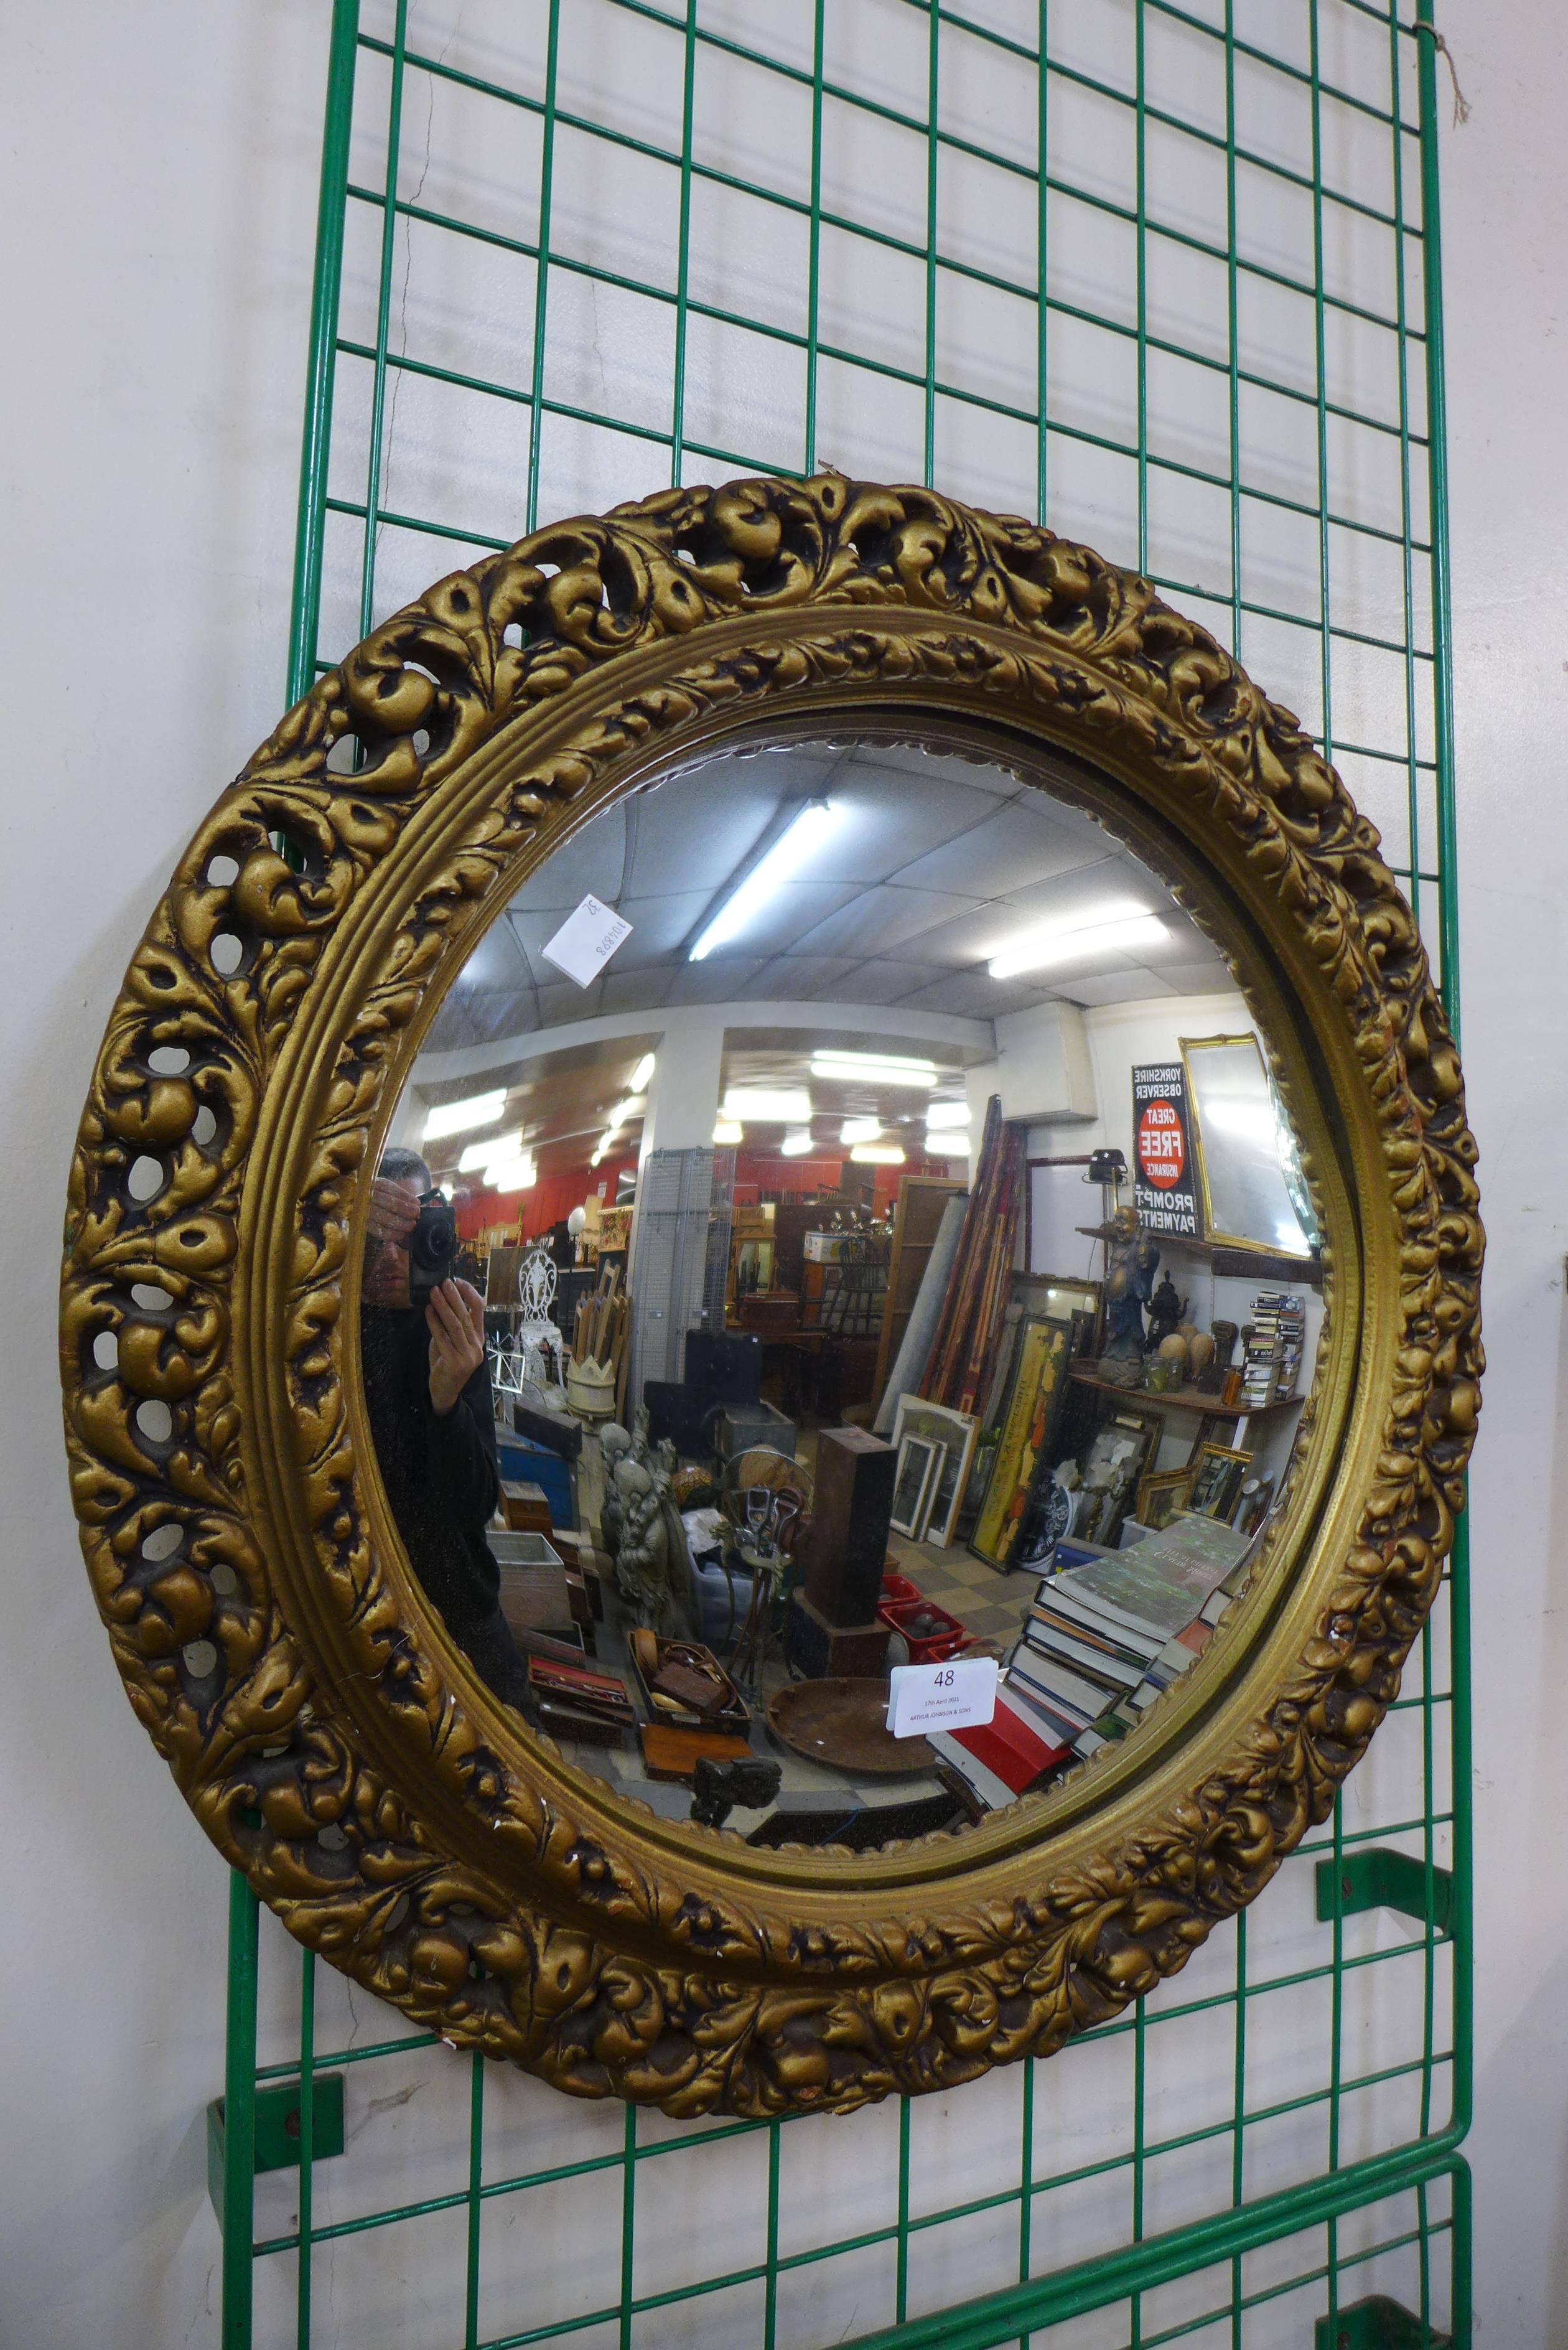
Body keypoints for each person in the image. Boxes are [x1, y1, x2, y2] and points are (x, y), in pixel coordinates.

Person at [360, 1146, 530, 1708]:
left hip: (455, 1598)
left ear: (437, 1232)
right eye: (376, 1235)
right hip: (361, 1598)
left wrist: (448, 1402)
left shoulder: (453, 1326)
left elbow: (476, 1506)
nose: (390, 1255)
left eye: (411, 1235)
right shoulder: (327, 1322)